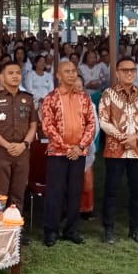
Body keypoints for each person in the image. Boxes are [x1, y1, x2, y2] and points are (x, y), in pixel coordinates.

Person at [97, 56, 138, 245]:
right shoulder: (108, 94)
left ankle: (135, 229)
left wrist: (136, 137)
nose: (129, 73)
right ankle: (109, 229)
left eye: (132, 70)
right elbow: (103, 121)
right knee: (111, 190)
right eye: (125, 70)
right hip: (116, 150)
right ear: (117, 73)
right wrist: (124, 137)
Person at [39, 61, 97, 246]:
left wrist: (79, 147)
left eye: (74, 71)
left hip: (78, 153)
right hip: (58, 153)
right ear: (58, 75)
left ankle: (71, 230)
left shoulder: (84, 98)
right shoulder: (50, 98)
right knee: (55, 192)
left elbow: (91, 124)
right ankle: (51, 231)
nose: (71, 74)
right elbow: (48, 127)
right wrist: (67, 148)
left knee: (75, 192)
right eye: (67, 71)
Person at [0, 62, 38, 226]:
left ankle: (16, 229)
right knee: (1, 194)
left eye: (18, 73)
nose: (15, 76)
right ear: (1, 78)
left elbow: (33, 126)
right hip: (1, 151)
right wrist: (7, 145)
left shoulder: (28, 99)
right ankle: (0, 228)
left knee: (18, 192)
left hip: (22, 151)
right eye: (11, 73)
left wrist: (24, 144)